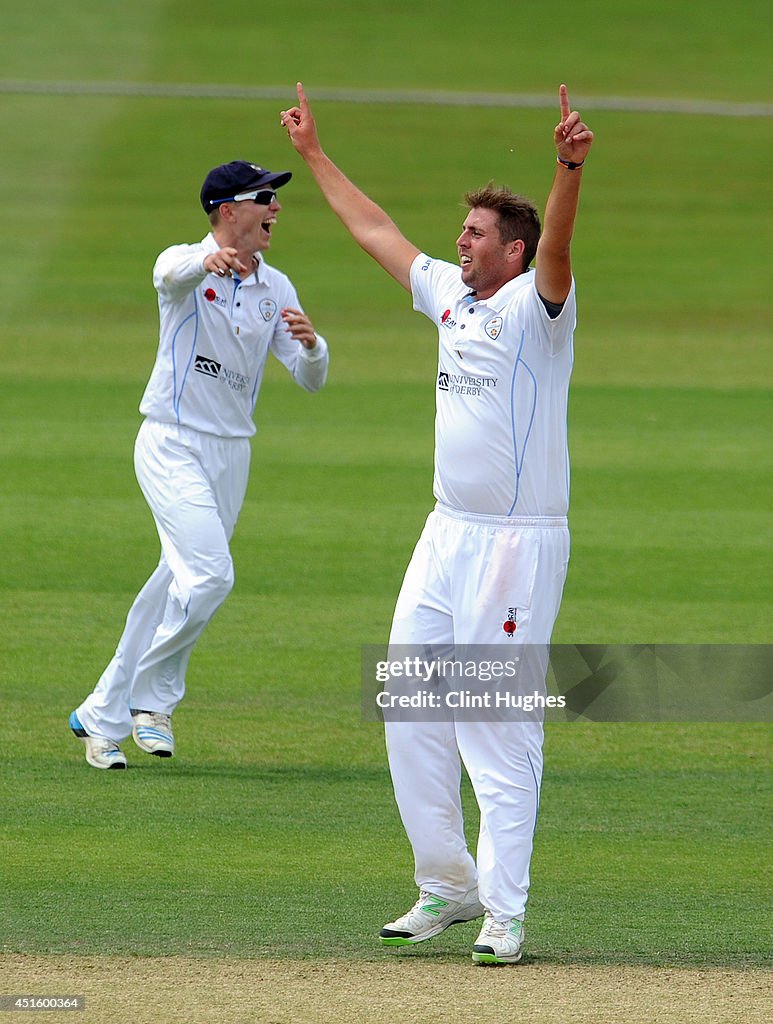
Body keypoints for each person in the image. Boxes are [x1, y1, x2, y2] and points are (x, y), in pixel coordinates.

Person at [281, 83, 592, 964]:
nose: (459, 243)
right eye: (460, 234)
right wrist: (312, 154)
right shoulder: (450, 300)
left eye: (476, 235)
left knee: (492, 722)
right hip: (444, 533)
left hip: (517, 542)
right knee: (411, 709)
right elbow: (375, 230)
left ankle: (506, 910)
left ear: (514, 250)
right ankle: (448, 886)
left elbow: (562, 242)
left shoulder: (538, 308)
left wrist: (567, 166)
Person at [70, 159, 329, 769]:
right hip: (172, 442)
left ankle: (100, 713)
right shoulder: (186, 266)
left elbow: (310, 379)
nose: (277, 209)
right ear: (228, 211)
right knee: (210, 576)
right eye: (266, 198)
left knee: (173, 584)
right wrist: (202, 261)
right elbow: (166, 272)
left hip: (231, 453)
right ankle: (151, 702)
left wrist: (315, 348)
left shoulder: (277, 287)